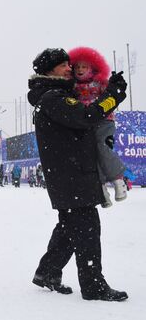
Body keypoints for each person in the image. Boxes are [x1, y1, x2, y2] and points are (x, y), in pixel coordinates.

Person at [28, 48, 128, 301]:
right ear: (49, 71)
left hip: (71, 175)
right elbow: (86, 117)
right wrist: (112, 96)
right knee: (87, 230)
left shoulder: (55, 95)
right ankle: (93, 285)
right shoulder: (53, 98)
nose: (69, 69)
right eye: (63, 65)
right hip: (71, 176)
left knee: (69, 227)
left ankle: (47, 272)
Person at [69, 46, 127, 207]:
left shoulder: (100, 82)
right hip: (86, 124)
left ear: (93, 67)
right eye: (77, 67)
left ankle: (118, 180)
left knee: (103, 148)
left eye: (84, 66)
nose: (80, 70)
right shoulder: (73, 87)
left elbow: (112, 95)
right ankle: (101, 190)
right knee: (91, 154)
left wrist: (114, 86)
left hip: (104, 121)